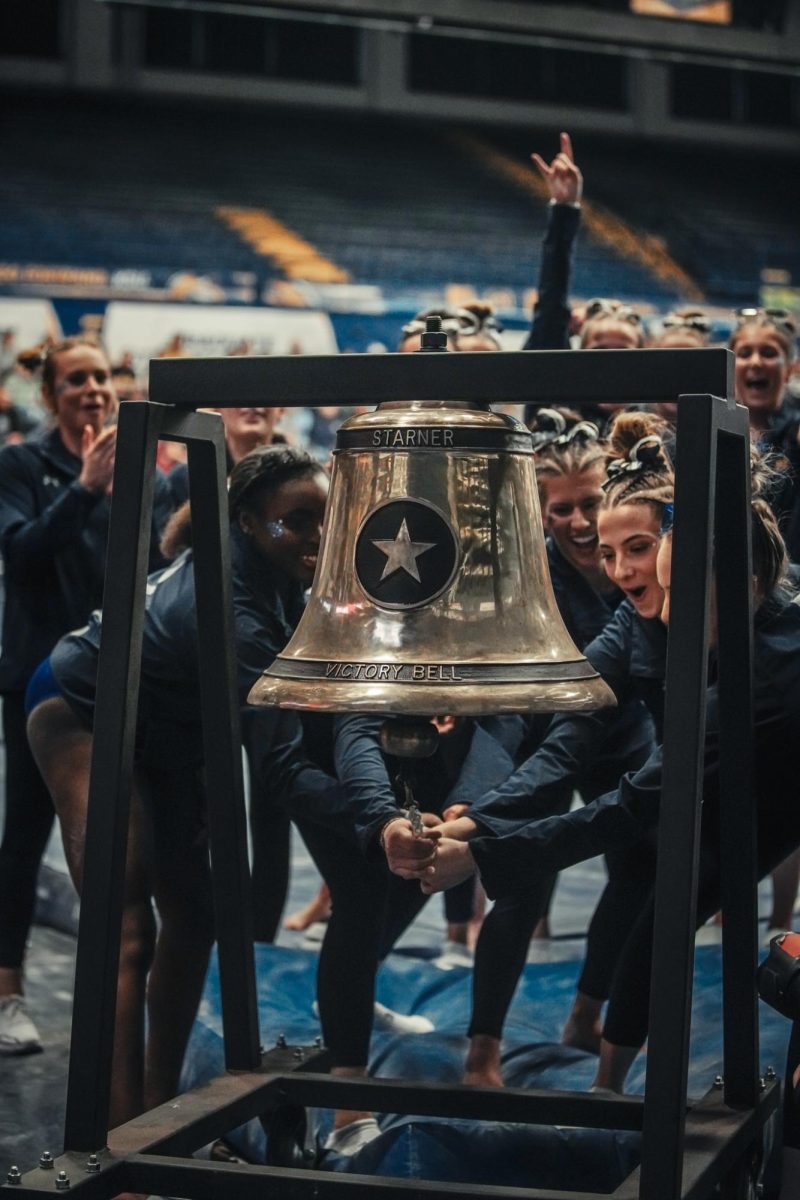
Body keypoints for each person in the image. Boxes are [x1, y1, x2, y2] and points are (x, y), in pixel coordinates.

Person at [395, 466, 799, 1097]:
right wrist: (478, 818)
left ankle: (622, 1091)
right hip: (710, 765)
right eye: (612, 555)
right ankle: (605, 1088)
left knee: (660, 892)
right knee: (661, 909)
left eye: (637, 550)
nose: (628, 576)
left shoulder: (765, 668)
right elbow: (561, 739)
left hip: (757, 776)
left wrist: (478, 854)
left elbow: (634, 803)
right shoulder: (663, 613)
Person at [25, 446, 333, 1122]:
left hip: (168, 723)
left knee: (196, 919)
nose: (316, 536)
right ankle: (118, 1130)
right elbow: (288, 746)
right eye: (297, 520)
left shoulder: (265, 562)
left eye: (325, 518)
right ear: (248, 523)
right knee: (126, 925)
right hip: (83, 709)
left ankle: (161, 1112)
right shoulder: (233, 611)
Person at [0, 335, 171, 1056]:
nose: (94, 390)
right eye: (76, 380)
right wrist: (84, 490)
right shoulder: (20, 463)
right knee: (27, 830)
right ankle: (6, 991)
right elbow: (22, 551)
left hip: (113, 677)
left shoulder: (141, 470)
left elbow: (159, 559)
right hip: (36, 679)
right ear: (51, 394)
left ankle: (130, 986)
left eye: (101, 376)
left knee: (120, 829)